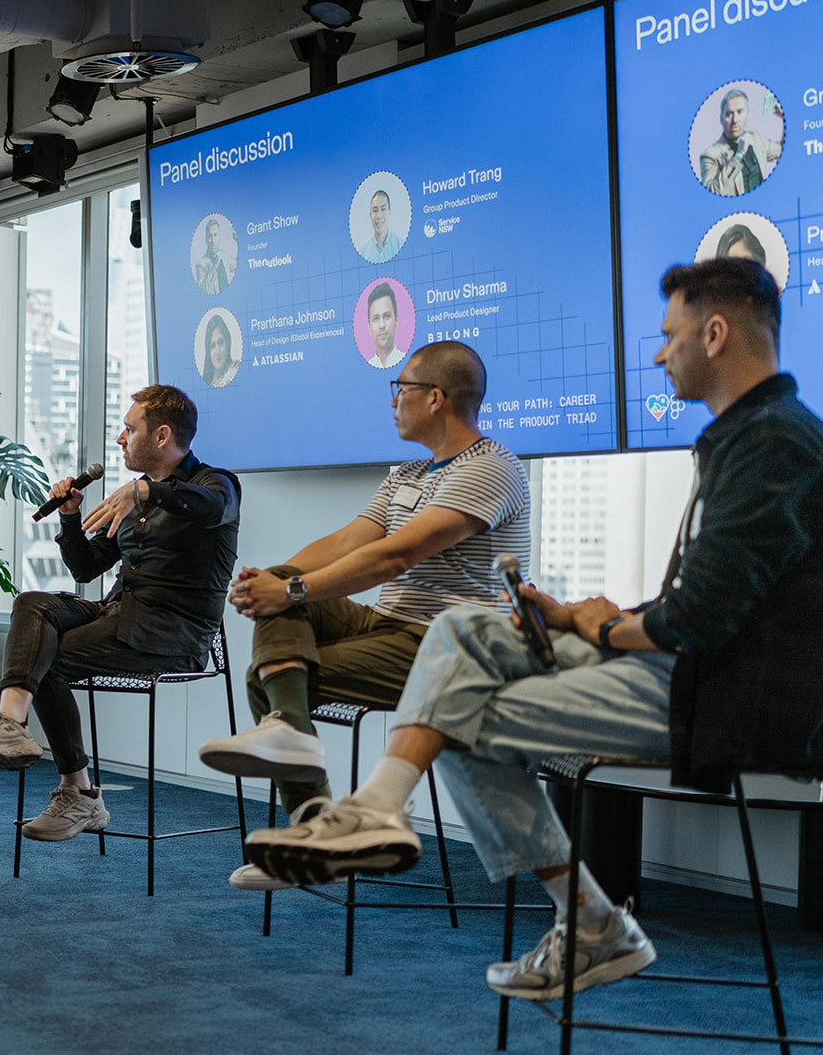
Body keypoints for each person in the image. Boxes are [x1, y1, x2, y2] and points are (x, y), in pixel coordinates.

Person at [247, 257, 823, 1002]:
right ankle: (379, 806)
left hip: (724, 700)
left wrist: (609, 625)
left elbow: (706, 618)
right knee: (465, 631)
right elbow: (714, 600)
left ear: (714, 334)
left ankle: (586, 920)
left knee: (459, 715)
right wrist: (589, 615)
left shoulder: (773, 442)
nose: (658, 352)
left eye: (668, 335)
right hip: (693, 663)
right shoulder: (748, 435)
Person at [197, 340, 529, 891]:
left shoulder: (491, 468)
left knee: (273, 675)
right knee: (284, 596)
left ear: (436, 398)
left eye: (401, 388)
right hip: (387, 625)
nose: (393, 399)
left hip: (444, 646)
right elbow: (352, 540)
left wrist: (292, 591)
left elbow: (394, 555)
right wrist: (272, 581)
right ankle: (313, 815)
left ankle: (312, 827)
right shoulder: (408, 472)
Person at [0, 385, 241, 841]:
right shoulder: (130, 502)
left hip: (173, 635)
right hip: (119, 615)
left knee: (49, 659)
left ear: (162, 436)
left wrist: (145, 491)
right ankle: (9, 725)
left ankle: (78, 793)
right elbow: (86, 567)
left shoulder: (215, 484)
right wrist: (69, 516)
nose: (121, 439)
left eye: (129, 429)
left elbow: (212, 508)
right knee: (31, 603)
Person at [699, 88, 782, 197]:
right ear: (721, 119)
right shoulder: (710, 155)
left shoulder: (756, 138)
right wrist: (738, 156)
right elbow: (711, 193)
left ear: (747, 113)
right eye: (729, 114)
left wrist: (783, 118)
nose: (735, 120)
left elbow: (782, 150)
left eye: (740, 112)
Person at [365, 282, 405, 369]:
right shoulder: (366, 365)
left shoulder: (407, 363)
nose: (382, 325)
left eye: (386, 316)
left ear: (396, 321)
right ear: (369, 327)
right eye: (376, 318)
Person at [358, 189, 405, 263]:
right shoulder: (362, 252)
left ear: (389, 212)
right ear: (370, 215)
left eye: (383, 209)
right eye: (375, 210)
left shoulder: (401, 245)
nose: (379, 216)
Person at [195, 218, 233, 295]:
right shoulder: (201, 264)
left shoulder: (224, 255)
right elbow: (203, 289)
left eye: (215, 235)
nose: (213, 241)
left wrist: (237, 240)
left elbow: (239, 262)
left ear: (219, 237)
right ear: (206, 239)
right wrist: (214, 267)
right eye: (210, 236)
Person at [201, 313, 240, 388]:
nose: (217, 351)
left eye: (221, 343)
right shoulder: (208, 381)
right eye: (213, 346)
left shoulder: (236, 370)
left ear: (228, 343)